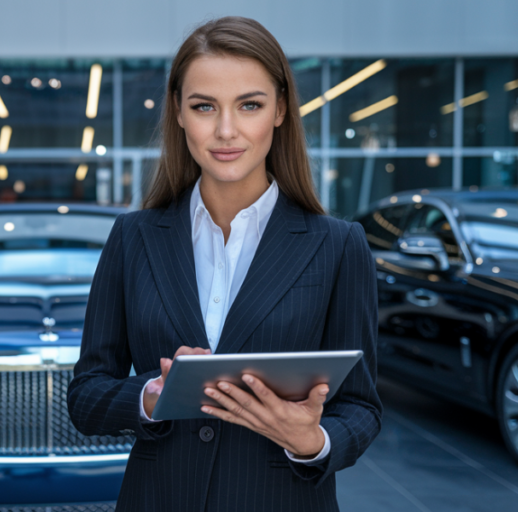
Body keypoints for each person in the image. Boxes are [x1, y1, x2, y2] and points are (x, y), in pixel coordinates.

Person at [67, 16, 381, 512]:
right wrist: (153, 394)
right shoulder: (133, 237)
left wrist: (311, 440)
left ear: (279, 110)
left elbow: (360, 409)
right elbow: (86, 395)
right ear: (178, 112)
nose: (226, 130)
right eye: (204, 106)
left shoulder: (339, 246)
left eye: (249, 105)